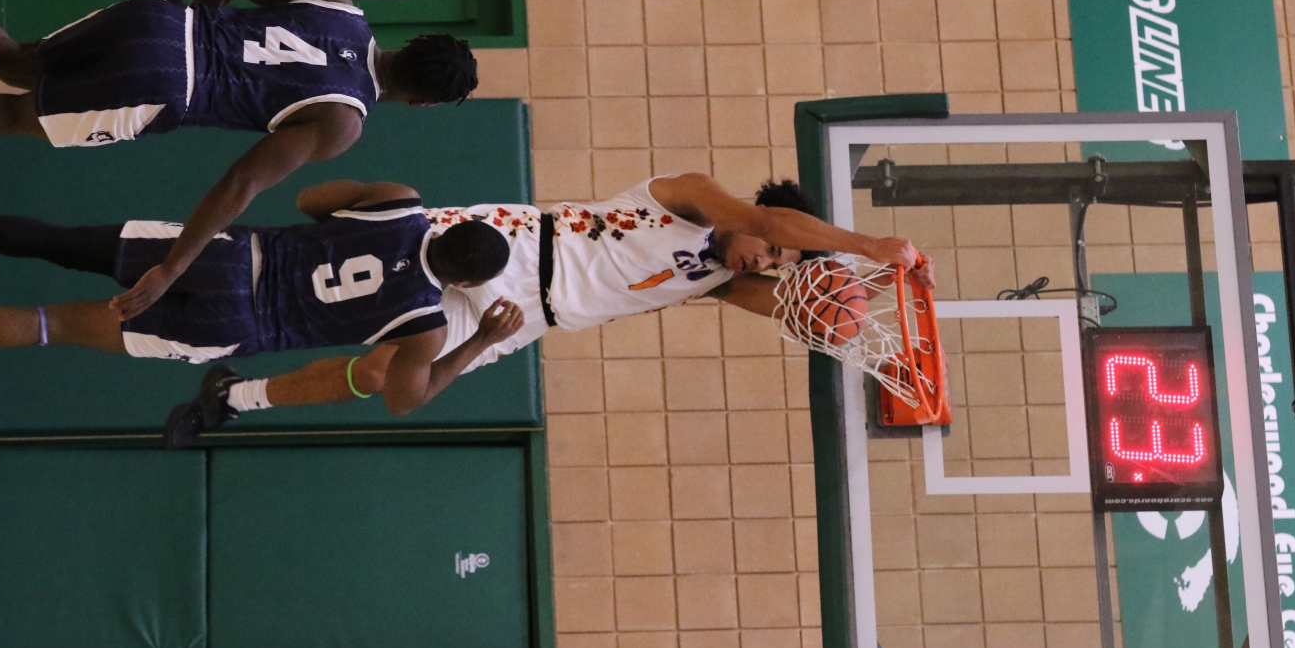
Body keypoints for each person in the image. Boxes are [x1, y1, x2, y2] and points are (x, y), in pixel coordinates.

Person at [0, 0, 478, 320]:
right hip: (161, 87)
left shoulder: (340, 8)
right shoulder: (343, 121)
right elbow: (241, 181)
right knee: (8, 115)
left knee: (19, 59)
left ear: (415, 41)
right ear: (423, 102)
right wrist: (172, 268)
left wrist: (194, 29)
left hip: (161, 22)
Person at [163, 172, 935, 445]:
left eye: (775, 265)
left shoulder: (720, 282)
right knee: (348, 266)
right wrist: (871, 243)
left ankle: (235, 395)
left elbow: (807, 314)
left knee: (384, 373)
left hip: (526, 315)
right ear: (759, 221)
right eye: (771, 250)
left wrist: (886, 337)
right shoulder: (692, 196)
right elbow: (771, 226)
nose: (766, 262)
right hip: (503, 247)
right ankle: (215, 249)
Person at [0, 180, 524, 437]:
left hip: (220, 257)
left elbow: (310, 197)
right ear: (464, 283)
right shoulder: (426, 326)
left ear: (449, 228)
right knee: (50, 325)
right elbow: (403, 400)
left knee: (54, 239)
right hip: (232, 325)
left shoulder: (398, 202)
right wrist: (478, 344)